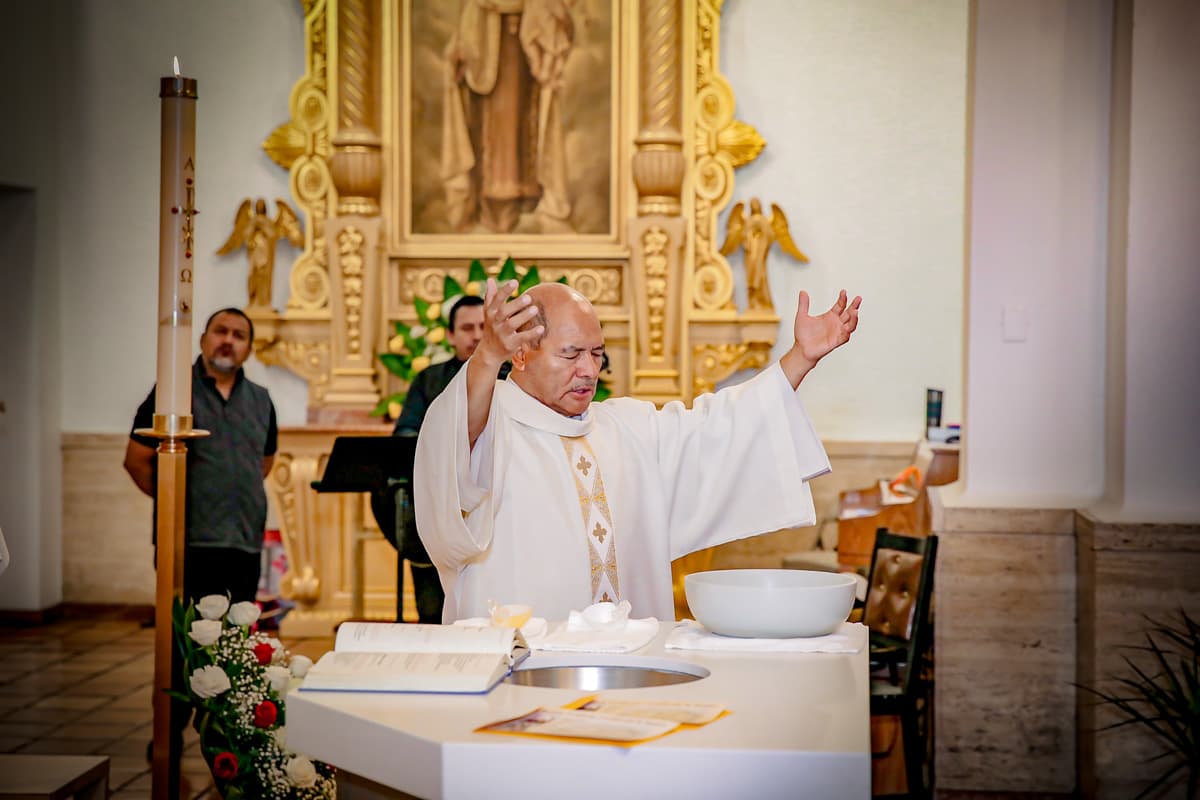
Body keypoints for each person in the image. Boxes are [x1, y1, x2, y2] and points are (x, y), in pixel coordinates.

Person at [415, 279, 862, 622]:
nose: (588, 370)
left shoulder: (627, 428)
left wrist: (801, 358)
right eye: (571, 355)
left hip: (626, 671)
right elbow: (452, 442)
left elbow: (720, 428)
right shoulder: (492, 428)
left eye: (597, 354)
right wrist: (486, 357)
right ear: (523, 354)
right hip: (522, 676)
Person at [124, 307, 278, 605]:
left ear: (248, 349)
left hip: (243, 538)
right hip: (189, 540)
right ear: (203, 339)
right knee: (187, 638)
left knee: (236, 640)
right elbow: (135, 459)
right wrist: (172, 500)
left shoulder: (261, 400)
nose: (228, 340)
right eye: (221, 331)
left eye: (239, 336)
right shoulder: (172, 393)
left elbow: (264, 462)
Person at [369, 295, 494, 623]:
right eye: (467, 328)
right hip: (437, 507)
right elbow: (406, 433)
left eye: (484, 327)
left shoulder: (511, 376)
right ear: (451, 335)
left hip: (495, 509)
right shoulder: (429, 380)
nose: (477, 335)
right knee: (432, 611)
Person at [440, 0, 574, 233]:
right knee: (491, 127)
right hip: (486, 43)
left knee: (517, 126)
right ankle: (488, 206)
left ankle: (519, 201)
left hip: (521, 41)